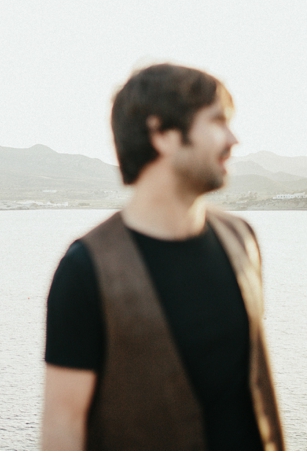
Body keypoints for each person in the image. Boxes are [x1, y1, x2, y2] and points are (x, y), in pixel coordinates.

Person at [41, 63, 285, 451]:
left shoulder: (242, 239)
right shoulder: (86, 270)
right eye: (217, 121)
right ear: (162, 134)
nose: (233, 138)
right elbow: (62, 429)